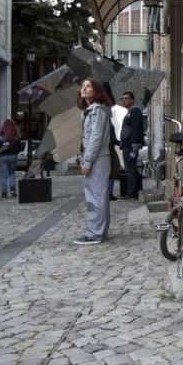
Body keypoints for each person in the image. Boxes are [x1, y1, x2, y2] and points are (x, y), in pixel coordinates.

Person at [74, 78, 113, 245]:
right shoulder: (90, 111)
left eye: (88, 86)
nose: (84, 88)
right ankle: (100, 231)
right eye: (82, 86)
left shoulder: (97, 111)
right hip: (97, 157)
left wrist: (87, 161)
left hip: (98, 158)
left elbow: (96, 137)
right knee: (98, 195)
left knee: (95, 196)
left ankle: (94, 233)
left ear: (96, 92)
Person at [119, 91, 144, 201]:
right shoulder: (129, 112)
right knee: (130, 169)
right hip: (126, 144)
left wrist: (135, 146)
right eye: (123, 98)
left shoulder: (135, 112)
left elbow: (136, 130)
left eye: (126, 98)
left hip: (130, 145)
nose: (124, 100)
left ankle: (131, 193)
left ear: (132, 100)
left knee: (131, 169)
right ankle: (132, 192)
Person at [0, 119, 21, 199]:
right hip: (13, 155)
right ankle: (12, 189)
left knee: (4, 176)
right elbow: (19, 147)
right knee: (12, 173)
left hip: (2, 156)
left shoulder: (0, 135)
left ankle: (4, 194)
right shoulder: (15, 135)